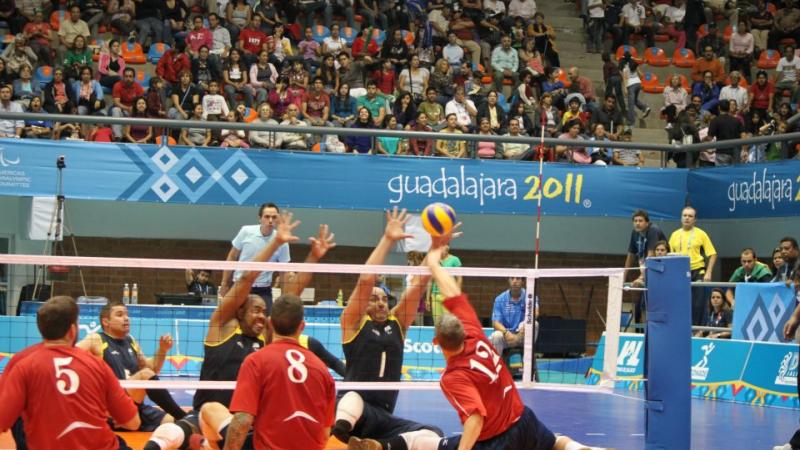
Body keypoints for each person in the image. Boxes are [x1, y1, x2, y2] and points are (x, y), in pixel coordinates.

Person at [348, 231, 610, 450]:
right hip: (523, 418)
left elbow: (475, 417)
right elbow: (452, 291)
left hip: (497, 440)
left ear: (436, 343)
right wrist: (436, 263)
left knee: (441, 444)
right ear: (464, 331)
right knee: (555, 443)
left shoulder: (452, 377)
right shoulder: (475, 332)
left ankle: (386, 446)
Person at [144, 213, 337, 450]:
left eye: (264, 312)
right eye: (255, 310)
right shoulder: (221, 327)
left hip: (247, 422)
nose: (260, 316)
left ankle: (206, 445)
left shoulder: (265, 341)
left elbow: (291, 298)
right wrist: (275, 243)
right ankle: (203, 442)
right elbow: (246, 278)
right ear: (239, 311)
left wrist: (313, 258)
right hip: (208, 416)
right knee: (170, 433)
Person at [332, 207, 443, 449]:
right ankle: (336, 438)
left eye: (383, 298)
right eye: (374, 298)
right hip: (352, 410)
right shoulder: (352, 323)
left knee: (433, 434)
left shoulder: (398, 324)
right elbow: (365, 280)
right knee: (352, 397)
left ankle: (377, 446)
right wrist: (388, 239)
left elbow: (419, 283)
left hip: (382, 417)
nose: (381, 302)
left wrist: (435, 245)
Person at [0, 296, 140, 449]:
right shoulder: (96, 365)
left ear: (41, 328)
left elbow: (3, 419)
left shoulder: (22, 362)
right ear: (73, 330)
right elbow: (133, 423)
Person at [205, 294, 336, 450]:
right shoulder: (322, 369)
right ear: (302, 326)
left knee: (209, 410)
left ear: (271, 323)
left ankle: (204, 444)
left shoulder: (256, 361)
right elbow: (324, 433)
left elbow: (243, 419)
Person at [76, 301, 187, 430]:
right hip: (113, 404)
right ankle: (183, 415)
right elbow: (70, 354)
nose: (126, 318)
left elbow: (153, 370)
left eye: (127, 314)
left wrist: (162, 350)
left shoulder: (130, 340)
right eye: (119, 315)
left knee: (178, 424)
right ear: (106, 322)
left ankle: (185, 421)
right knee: (144, 375)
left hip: (135, 405)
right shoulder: (96, 339)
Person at [220, 203, 291, 311]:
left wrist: (284, 296)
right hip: (239, 286)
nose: (270, 220)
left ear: (277, 219)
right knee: (231, 322)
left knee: (266, 324)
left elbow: (284, 271)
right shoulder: (246, 231)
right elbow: (232, 256)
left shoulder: (282, 241)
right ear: (260, 218)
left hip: (263, 291)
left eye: (274, 217)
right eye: (267, 217)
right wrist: (224, 283)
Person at [668, 206, 717, 326]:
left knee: (698, 303)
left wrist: (708, 272)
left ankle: (698, 330)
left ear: (695, 219)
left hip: (697, 271)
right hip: (678, 271)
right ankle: (680, 327)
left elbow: (713, 254)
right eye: (685, 215)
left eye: (690, 216)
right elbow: (667, 255)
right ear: (681, 218)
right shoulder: (674, 235)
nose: (687, 218)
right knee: (679, 301)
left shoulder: (701, 234)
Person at [490, 275, 539, 358]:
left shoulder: (530, 296)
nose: (515, 281)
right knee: (496, 335)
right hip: (507, 337)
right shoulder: (500, 299)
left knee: (535, 324)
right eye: (512, 278)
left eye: (518, 278)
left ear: (523, 281)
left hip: (523, 336)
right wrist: (506, 333)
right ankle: (496, 367)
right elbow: (495, 323)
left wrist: (525, 324)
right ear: (508, 280)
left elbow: (535, 312)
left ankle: (528, 363)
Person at [624, 209, 667, 288]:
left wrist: (641, 278)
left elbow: (651, 256)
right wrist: (623, 276)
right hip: (646, 270)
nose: (637, 223)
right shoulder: (635, 232)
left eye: (640, 221)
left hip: (659, 270)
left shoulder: (653, 230)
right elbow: (630, 256)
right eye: (635, 221)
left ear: (647, 223)